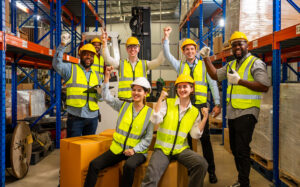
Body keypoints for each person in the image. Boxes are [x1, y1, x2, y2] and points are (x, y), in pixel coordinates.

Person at [199, 31, 271, 187]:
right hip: (232, 113)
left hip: (247, 112)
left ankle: (244, 183)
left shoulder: (255, 62)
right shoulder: (231, 64)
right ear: (231, 48)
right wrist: (206, 58)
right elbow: (215, 75)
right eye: (234, 45)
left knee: (242, 149)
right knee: (235, 149)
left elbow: (264, 86)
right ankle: (241, 180)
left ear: (247, 45)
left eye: (240, 43)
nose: (237, 47)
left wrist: (240, 81)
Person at [162, 26, 220, 183]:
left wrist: (217, 103)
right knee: (186, 139)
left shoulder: (204, 65)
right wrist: (166, 37)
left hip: (201, 107)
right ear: (183, 52)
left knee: (205, 140)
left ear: (195, 50)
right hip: (186, 107)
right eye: (186, 49)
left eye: (192, 49)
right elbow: (167, 55)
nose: (189, 52)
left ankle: (211, 172)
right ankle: (190, 169)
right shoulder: (180, 66)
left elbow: (213, 84)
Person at [84, 66, 153, 187]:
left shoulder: (150, 113)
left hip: (137, 152)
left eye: (139, 90)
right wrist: (106, 77)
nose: (136, 93)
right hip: (118, 148)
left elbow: (147, 139)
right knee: (94, 164)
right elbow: (106, 97)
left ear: (145, 93)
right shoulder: (124, 106)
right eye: (134, 90)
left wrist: (134, 150)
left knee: (129, 165)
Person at [141, 74, 208, 187]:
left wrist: (205, 118)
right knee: (150, 177)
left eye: (185, 86)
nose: (182, 89)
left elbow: (195, 135)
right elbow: (155, 118)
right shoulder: (167, 103)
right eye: (179, 87)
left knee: (202, 164)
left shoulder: (195, 112)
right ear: (176, 90)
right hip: (162, 149)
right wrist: (160, 99)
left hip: (181, 150)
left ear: (191, 89)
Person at [52, 33, 102, 137]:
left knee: (89, 149)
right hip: (76, 117)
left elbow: (100, 98)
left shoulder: (97, 75)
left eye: (91, 55)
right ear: (80, 55)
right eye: (86, 54)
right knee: (74, 149)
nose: (89, 57)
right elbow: (56, 64)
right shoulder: (71, 69)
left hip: (93, 117)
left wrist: (100, 93)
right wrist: (62, 45)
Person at [101, 30, 165, 100]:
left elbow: (159, 61)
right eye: (129, 47)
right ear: (126, 49)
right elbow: (107, 59)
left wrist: (165, 46)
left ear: (139, 49)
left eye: (135, 47)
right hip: (124, 101)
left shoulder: (145, 64)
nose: (132, 49)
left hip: (140, 101)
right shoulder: (121, 64)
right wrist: (104, 43)